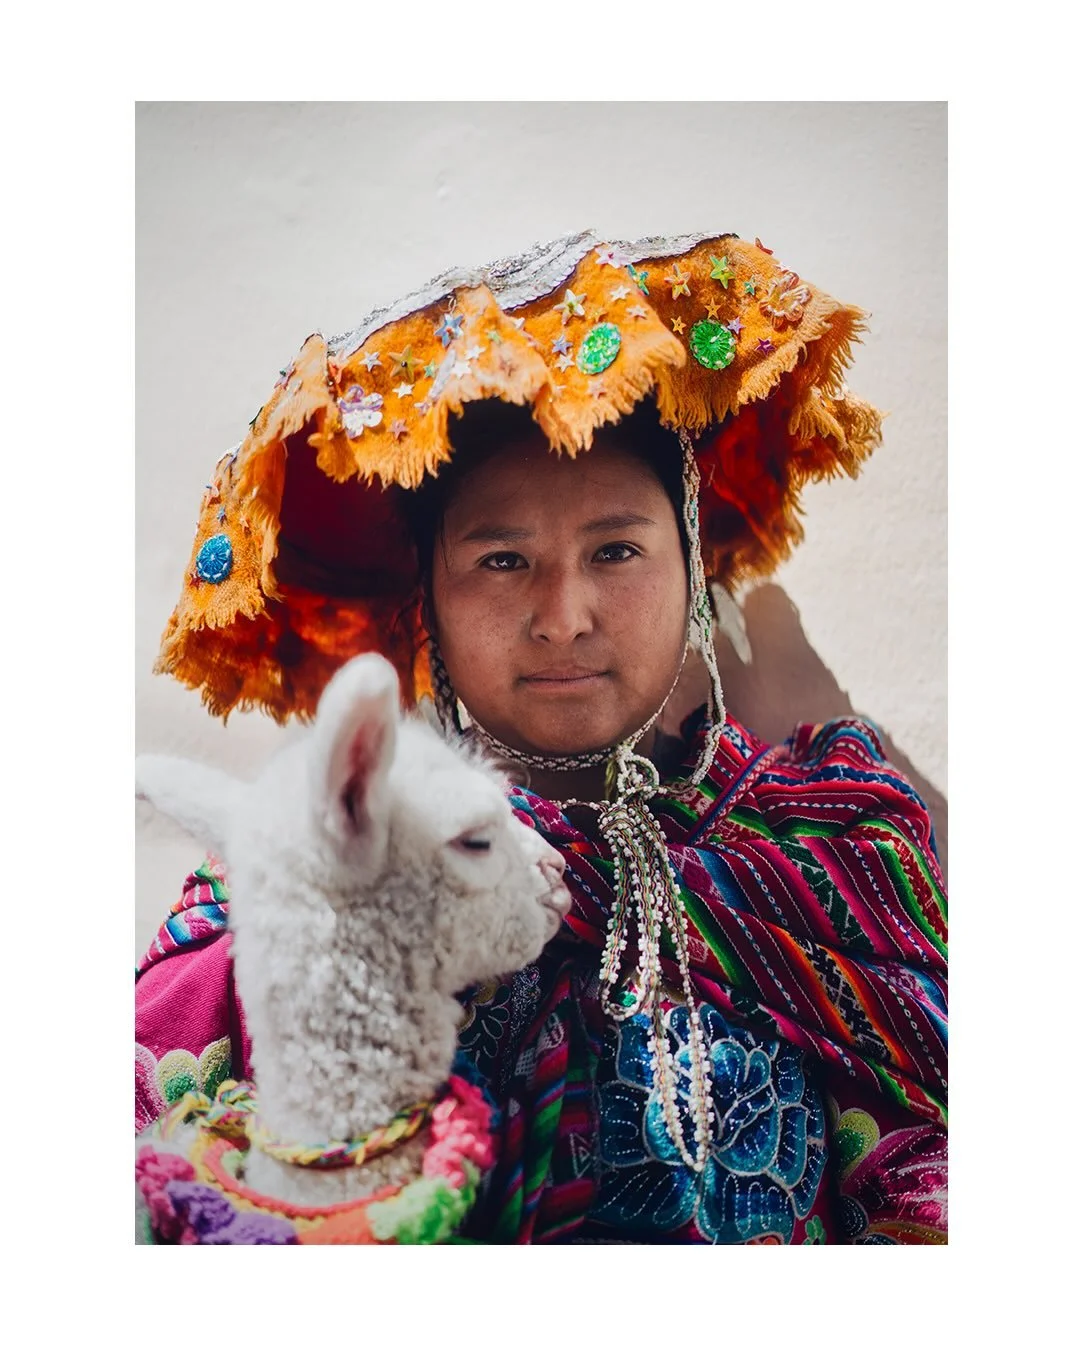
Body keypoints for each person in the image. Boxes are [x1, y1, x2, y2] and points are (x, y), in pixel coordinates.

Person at [136, 230, 947, 1244]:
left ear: (691, 565)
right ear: (427, 597)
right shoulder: (297, 874)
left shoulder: (824, 844)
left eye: (615, 549)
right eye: (503, 560)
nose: (564, 614)